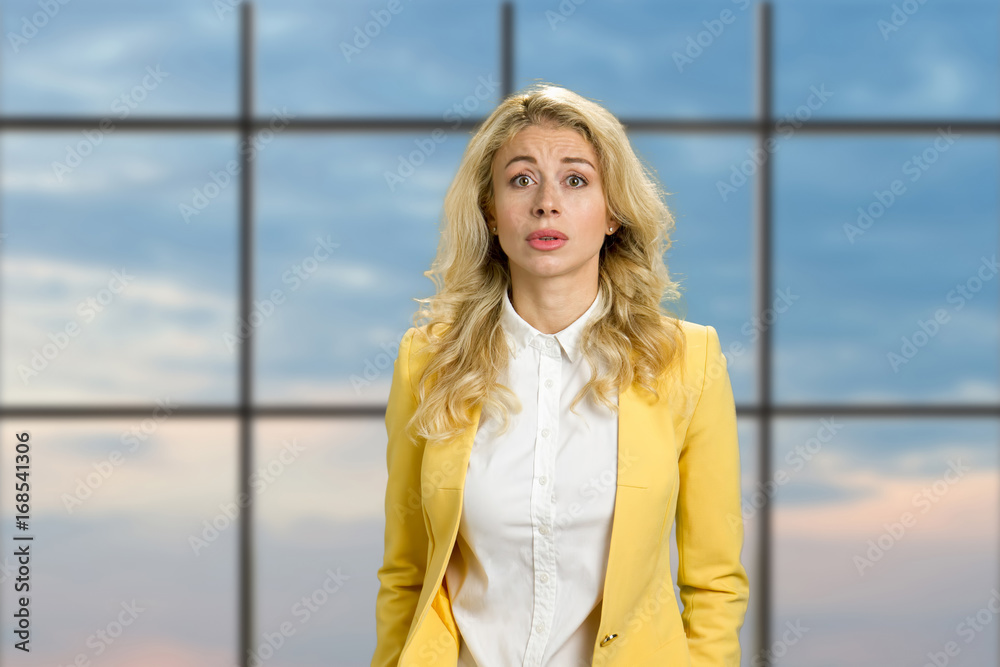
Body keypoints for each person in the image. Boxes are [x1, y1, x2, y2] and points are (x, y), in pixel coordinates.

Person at [371, 82, 749, 667]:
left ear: (614, 212)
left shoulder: (687, 360)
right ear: (491, 213)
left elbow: (715, 581)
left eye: (576, 180)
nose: (547, 202)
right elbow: (405, 573)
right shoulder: (427, 361)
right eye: (521, 179)